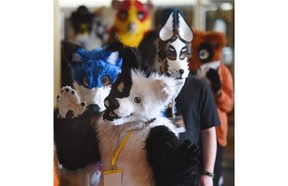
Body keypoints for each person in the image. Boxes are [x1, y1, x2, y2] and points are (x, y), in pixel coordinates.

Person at [138, 8, 220, 186]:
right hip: (154, 171)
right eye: (171, 52)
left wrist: (208, 173)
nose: (177, 58)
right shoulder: (149, 86)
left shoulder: (200, 88)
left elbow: (208, 131)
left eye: (182, 52)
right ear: (161, 55)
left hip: (191, 171)